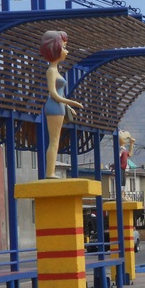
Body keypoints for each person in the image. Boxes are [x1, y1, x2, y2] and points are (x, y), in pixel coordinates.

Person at [39, 30, 84, 179]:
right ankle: (50, 172)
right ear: (56, 48)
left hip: (59, 107)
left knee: (56, 141)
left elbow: (60, 94)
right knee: (54, 140)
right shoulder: (51, 71)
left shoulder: (56, 71)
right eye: (64, 47)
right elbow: (53, 94)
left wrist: (68, 106)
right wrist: (71, 102)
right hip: (53, 107)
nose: (67, 51)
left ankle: (50, 172)